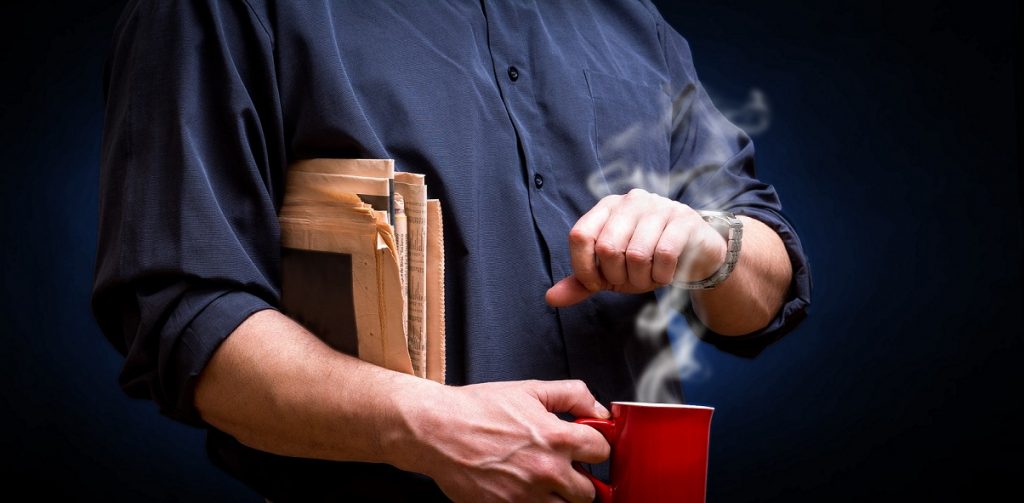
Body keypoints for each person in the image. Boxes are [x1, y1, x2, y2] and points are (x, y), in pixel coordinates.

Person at [92, 1, 811, 502]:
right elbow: (187, 317)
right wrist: (422, 426)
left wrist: (711, 246)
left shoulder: (631, 19)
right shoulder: (220, 9)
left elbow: (767, 287)